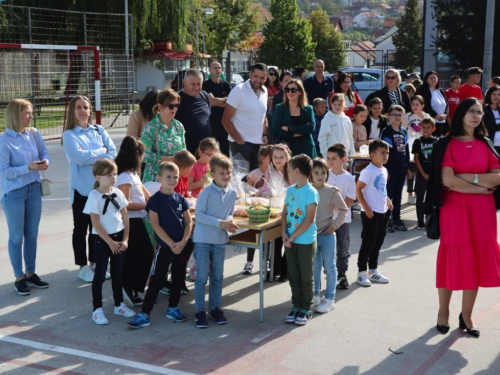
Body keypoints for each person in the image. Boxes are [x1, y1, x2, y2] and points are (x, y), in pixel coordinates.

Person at [426, 98, 500, 337]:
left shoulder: (485, 143)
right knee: (452, 258)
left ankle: (466, 315)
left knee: (476, 259)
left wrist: (468, 178)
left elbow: (497, 177)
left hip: (482, 211)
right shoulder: (447, 144)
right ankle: (443, 312)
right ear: (461, 115)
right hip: (455, 209)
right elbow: (448, 180)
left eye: (479, 112)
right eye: (471, 111)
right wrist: (479, 185)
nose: (476, 115)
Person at [127, 161, 193, 329]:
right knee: (157, 279)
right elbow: (156, 225)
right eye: (168, 177)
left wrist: (184, 241)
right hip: (165, 248)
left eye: (175, 177)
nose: (172, 180)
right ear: (159, 178)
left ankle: (173, 308)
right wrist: (171, 244)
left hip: (181, 247)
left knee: (178, 278)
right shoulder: (155, 200)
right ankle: (145, 313)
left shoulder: (180, 199)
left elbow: (188, 221)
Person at [62, 95, 117, 283]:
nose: (82, 111)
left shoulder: (99, 130)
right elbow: (79, 157)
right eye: (78, 107)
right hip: (81, 189)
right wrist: (100, 152)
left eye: (85, 107)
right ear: (73, 111)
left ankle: (95, 263)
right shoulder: (69, 134)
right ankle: (83, 266)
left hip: (100, 190)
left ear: (90, 110)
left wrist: (93, 157)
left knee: (98, 228)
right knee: (81, 229)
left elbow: (113, 153)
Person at [0, 99, 51, 295]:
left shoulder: (34, 133)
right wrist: (27, 168)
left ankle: (30, 274)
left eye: (31, 112)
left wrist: (45, 161)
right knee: (15, 237)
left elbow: (45, 153)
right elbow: (3, 171)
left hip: (34, 189)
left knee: (31, 234)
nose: (31, 116)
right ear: (16, 115)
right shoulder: (4, 141)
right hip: (13, 193)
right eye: (27, 113)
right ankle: (19, 277)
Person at [83, 159, 136, 325]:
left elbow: (125, 217)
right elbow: (96, 224)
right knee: (99, 274)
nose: (113, 177)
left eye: (114, 174)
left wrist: (125, 239)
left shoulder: (118, 192)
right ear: (98, 177)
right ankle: (97, 309)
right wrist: (109, 243)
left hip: (119, 236)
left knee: (118, 273)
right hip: (102, 239)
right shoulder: (94, 196)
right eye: (109, 175)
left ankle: (118, 304)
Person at [193, 154, 239, 328]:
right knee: (202, 277)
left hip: (219, 240)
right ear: (212, 174)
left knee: (218, 277)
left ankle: (215, 309)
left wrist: (229, 222)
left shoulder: (233, 193)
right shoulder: (206, 192)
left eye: (228, 172)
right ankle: (199, 311)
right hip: (203, 240)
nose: (226, 176)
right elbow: (199, 215)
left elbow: (228, 213)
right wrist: (221, 223)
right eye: (222, 173)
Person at [115, 136, 153, 307]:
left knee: (144, 254)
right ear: (135, 155)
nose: (143, 158)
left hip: (139, 219)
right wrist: (147, 205)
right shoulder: (124, 177)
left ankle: (133, 287)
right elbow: (126, 203)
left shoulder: (134, 175)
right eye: (141, 154)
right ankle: (127, 286)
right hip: (130, 221)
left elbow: (147, 195)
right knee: (138, 255)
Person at [282, 154, 319, 326]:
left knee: (306, 276)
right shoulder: (290, 190)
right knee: (294, 276)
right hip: (289, 241)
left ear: (297, 170)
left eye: (289, 170)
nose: (288, 174)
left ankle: (306, 307)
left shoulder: (311, 192)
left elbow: (309, 219)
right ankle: (296, 304)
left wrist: (293, 236)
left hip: (304, 241)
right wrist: (284, 233)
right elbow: (284, 214)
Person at [311, 158, 348, 313]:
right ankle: (315, 295)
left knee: (330, 267)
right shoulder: (307, 190)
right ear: (310, 174)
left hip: (327, 235)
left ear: (327, 174)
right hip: (311, 236)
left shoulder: (332, 191)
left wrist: (334, 226)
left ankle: (330, 298)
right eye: (316, 172)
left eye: (323, 172)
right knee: (315, 266)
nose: (320, 175)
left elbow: (343, 210)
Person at [355, 140, 393, 287]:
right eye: (382, 153)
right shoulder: (368, 171)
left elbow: (381, 189)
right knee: (368, 243)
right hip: (371, 213)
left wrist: (388, 200)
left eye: (387, 153)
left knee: (378, 242)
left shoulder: (383, 170)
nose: (386, 155)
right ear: (372, 155)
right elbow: (358, 190)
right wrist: (367, 208)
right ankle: (361, 273)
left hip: (383, 211)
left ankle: (373, 271)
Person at [222, 63, 269, 171]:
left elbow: (263, 115)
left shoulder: (264, 91)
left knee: (255, 181)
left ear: (266, 78)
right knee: (240, 182)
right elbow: (225, 120)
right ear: (250, 74)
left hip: (258, 145)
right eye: (256, 76)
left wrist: (265, 134)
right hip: (240, 145)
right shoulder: (238, 90)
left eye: (262, 77)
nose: (258, 80)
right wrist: (239, 141)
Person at [326, 144, 356, 289]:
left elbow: (350, 200)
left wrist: (336, 206)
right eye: (328, 158)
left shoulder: (349, 178)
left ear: (343, 159)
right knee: (326, 246)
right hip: (325, 219)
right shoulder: (324, 175)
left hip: (344, 220)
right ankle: (329, 272)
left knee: (343, 246)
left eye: (334, 158)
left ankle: (342, 274)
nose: (330, 161)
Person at [140, 89, 185, 183]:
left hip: (174, 178)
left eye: (177, 106)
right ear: (160, 106)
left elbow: (183, 150)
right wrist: (165, 159)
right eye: (171, 106)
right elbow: (144, 155)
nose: (175, 109)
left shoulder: (179, 126)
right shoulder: (150, 127)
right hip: (155, 179)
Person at [380, 105, 412, 232]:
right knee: (389, 194)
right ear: (389, 115)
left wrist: (407, 167)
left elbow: (407, 151)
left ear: (403, 117)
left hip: (401, 168)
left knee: (398, 195)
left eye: (400, 115)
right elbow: (384, 151)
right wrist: (385, 169)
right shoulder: (386, 131)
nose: (397, 117)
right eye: (394, 114)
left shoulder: (404, 132)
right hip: (390, 168)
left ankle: (396, 218)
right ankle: (386, 220)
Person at [271, 79, 317, 158]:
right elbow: (275, 130)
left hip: (306, 149)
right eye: (287, 90)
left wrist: (289, 128)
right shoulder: (279, 108)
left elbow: (311, 127)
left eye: (293, 90)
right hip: (288, 149)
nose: (290, 92)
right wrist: (294, 134)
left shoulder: (308, 109)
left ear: (300, 92)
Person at [175, 69, 212, 155]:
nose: (196, 87)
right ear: (184, 82)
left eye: (199, 84)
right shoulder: (176, 99)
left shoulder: (204, 96)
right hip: (186, 154)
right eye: (193, 84)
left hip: (205, 153)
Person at [402, 95, 430, 204]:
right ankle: (410, 193)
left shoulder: (426, 116)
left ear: (422, 105)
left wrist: (423, 119)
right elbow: (403, 128)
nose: (415, 106)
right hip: (410, 145)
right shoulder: (408, 116)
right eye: (413, 104)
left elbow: (431, 128)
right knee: (409, 169)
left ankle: (418, 192)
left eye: (417, 104)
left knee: (420, 169)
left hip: (422, 146)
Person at [411, 118, 438, 229]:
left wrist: (433, 174)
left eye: (428, 127)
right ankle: (420, 221)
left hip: (433, 174)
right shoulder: (418, 142)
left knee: (431, 198)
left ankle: (429, 219)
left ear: (433, 129)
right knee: (420, 198)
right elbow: (416, 158)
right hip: (422, 174)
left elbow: (438, 159)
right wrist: (423, 173)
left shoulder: (436, 141)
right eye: (423, 127)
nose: (425, 130)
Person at [202, 62, 231, 156]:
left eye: (219, 67)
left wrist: (217, 102)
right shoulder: (206, 85)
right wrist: (225, 99)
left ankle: (226, 168)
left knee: (225, 150)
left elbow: (231, 104)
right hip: (211, 122)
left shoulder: (226, 85)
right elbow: (212, 101)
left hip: (225, 122)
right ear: (210, 70)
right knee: (211, 149)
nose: (217, 70)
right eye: (215, 68)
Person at [318, 93, 355, 158]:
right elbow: (322, 138)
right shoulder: (327, 119)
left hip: (345, 155)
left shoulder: (347, 119)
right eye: (334, 104)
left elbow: (350, 138)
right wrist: (326, 156)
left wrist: (352, 154)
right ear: (331, 105)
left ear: (344, 104)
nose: (337, 107)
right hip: (332, 156)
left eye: (339, 104)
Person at [416, 71, 448, 137]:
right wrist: (436, 116)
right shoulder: (424, 91)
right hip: (430, 122)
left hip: (442, 122)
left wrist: (445, 114)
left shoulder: (440, 90)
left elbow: (446, 104)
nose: (433, 79)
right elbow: (425, 106)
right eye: (431, 78)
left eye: (434, 77)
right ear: (427, 80)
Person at [483, 85, 500, 153]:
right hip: (491, 146)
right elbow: (488, 128)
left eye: (499, 94)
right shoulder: (485, 111)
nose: (496, 96)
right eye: (494, 94)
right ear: (489, 95)